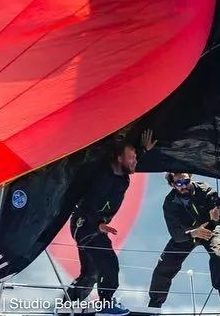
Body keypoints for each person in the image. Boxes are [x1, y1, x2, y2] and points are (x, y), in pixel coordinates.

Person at [64, 131, 156, 315]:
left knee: (90, 272)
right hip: (86, 224)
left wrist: (143, 150)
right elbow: (87, 204)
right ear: (119, 158)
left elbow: (129, 157)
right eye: (132, 158)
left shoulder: (123, 174)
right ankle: (106, 304)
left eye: (136, 158)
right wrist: (98, 224)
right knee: (109, 264)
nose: (135, 161)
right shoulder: (102, 176)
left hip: (97, 227)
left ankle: (67, 305)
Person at [146, 173, 220, 315]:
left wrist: (217, 216)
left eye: (186, 181)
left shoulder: (205, 189)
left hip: (209, 228)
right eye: (179, 183)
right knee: (165, 265)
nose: (184, 185)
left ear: (190, 178)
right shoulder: (169, 202)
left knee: (218, 256)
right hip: (187, 234)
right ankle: (154, 306)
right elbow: (175, 234)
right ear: (172, 185)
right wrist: (194, 233)